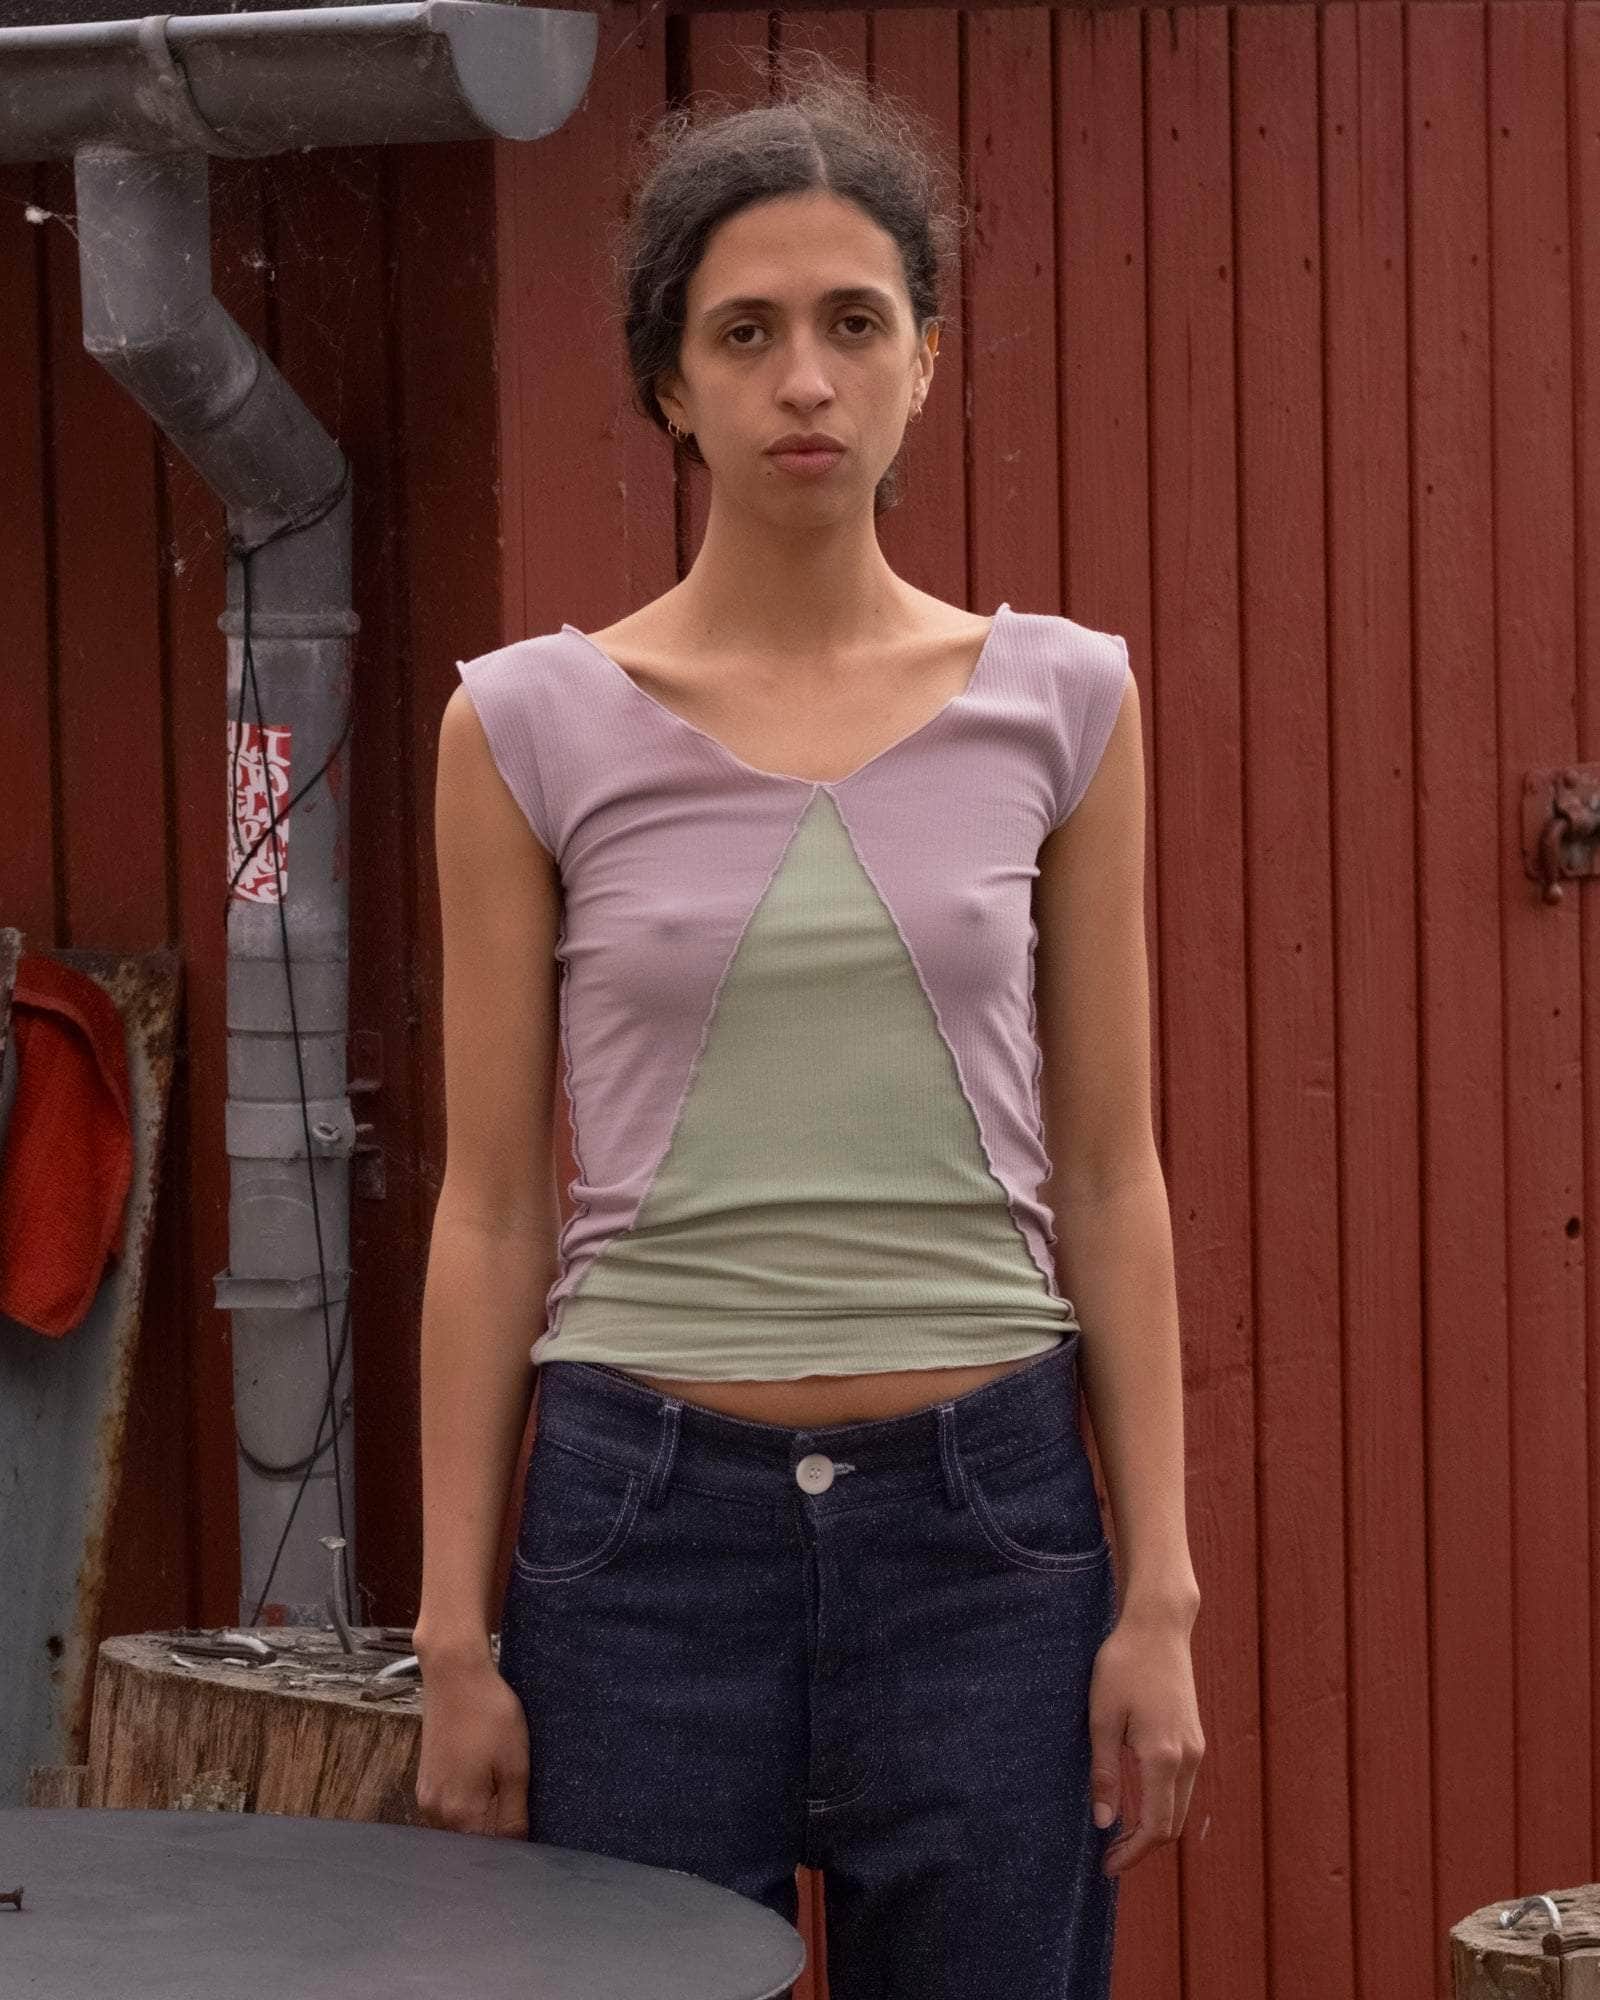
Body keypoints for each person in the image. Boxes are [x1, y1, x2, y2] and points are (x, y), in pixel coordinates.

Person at [414, 50, 1203, 1998]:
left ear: (925, 359)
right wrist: (451, 1631)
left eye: (855, 323)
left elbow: (1110, 1169)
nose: (805, 380)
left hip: (991, 1545)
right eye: (745, 332)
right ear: (668, 384)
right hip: (636, 1544)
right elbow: (492, 1204)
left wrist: (1160, 1595)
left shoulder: (1066, 703)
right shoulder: (521, 726)